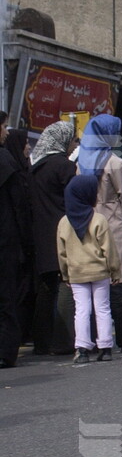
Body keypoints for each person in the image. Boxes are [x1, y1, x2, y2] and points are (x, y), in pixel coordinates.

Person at [77, 114, 122, 353]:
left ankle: (95, 340)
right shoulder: (115, 162)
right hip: (112, 224)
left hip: (88, 224)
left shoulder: (82, 161)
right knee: (119, 283)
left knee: (95, 284)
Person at [57, 175, 121, 364]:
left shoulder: (64, 222)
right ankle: (105, 347)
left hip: (76, 272)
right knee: (102, 308)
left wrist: (65, 274)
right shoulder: (98, 219)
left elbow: (62, 253)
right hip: (100, 271)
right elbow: (109, 248)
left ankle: (82, 348)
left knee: (82, 309)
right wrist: (115, 270)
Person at [30, 120, 79, 355]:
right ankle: (62, 341)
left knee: (46, 287)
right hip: (62, 231)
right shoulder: (65, 167)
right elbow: (75, 199)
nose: (73, 145)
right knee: (64, 284)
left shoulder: (36, 166)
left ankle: (41, 341)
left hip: (40, 232)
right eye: (72, 140)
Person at [0, 133, 29, 367]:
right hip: (6, 240)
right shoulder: (7, 161)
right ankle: (6, 351)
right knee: (6, 298)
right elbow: (19, 205)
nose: (6, 132)